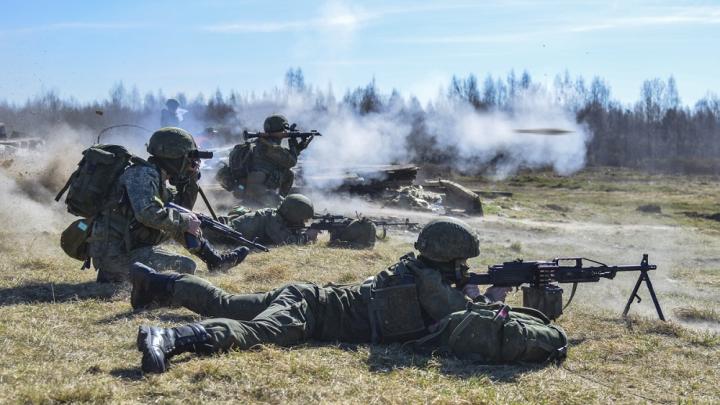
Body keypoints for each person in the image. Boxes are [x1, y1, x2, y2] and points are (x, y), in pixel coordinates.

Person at [129, 218, 560, 374]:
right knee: (260, 332)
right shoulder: (433, 286)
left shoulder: (421, 269)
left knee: (225, 304)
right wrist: (496, 297)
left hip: (309, 295)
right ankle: (172, 338)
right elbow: (471, 324)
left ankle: (157, 283)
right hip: (310, 310)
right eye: (462, 262)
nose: (466, 268)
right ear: (450, 257)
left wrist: (475, 291)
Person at [87, 127, 249, 283]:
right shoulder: (141, 174)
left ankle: (215, 260)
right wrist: (185, 221)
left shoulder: (156, 178)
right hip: (116, 256)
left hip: (131, 246)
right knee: (186, 266)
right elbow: (147, 213)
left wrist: (190, 180)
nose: (190, 163)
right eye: (188, 159)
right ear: (174, 157)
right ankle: (114, 275)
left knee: (182, 218)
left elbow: (182, 208)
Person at [217, 114, 313, 207]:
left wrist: (298, 148)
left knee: (287, 173)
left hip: (248, 190)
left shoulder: (259, 143)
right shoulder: (270, 147)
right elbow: (291, 161)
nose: (285, 133)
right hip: (259, 193)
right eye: (284, 131)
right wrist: (292, 141)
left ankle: (258, 202)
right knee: (289, 176)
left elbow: (284, 160)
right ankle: (272, 205)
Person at [205, 194, 318, 246]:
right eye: (302, 219)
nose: (303, 222)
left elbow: (288, 231)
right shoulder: (272, 220)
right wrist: (306, 237)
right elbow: (285, 241)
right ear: (293, 215)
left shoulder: (279, 216)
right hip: (220, 235)